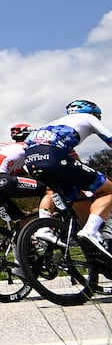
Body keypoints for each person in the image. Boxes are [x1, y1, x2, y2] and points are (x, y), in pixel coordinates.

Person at [22, 99, 112, 261]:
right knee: (108, 189)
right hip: (54, 157)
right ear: (93, 113)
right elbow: (110, 139)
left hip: (31, 162)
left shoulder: (51, 125)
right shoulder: (87, 117)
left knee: (78, 199)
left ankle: (95, 252)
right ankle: (90, 232)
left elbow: (74, 160)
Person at [0, 124, 51, 225]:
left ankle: (22, 239)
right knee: (48, 190)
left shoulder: (4, 146)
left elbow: (18, 171)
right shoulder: (27, 147)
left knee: (19, 217)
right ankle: (46, 227)